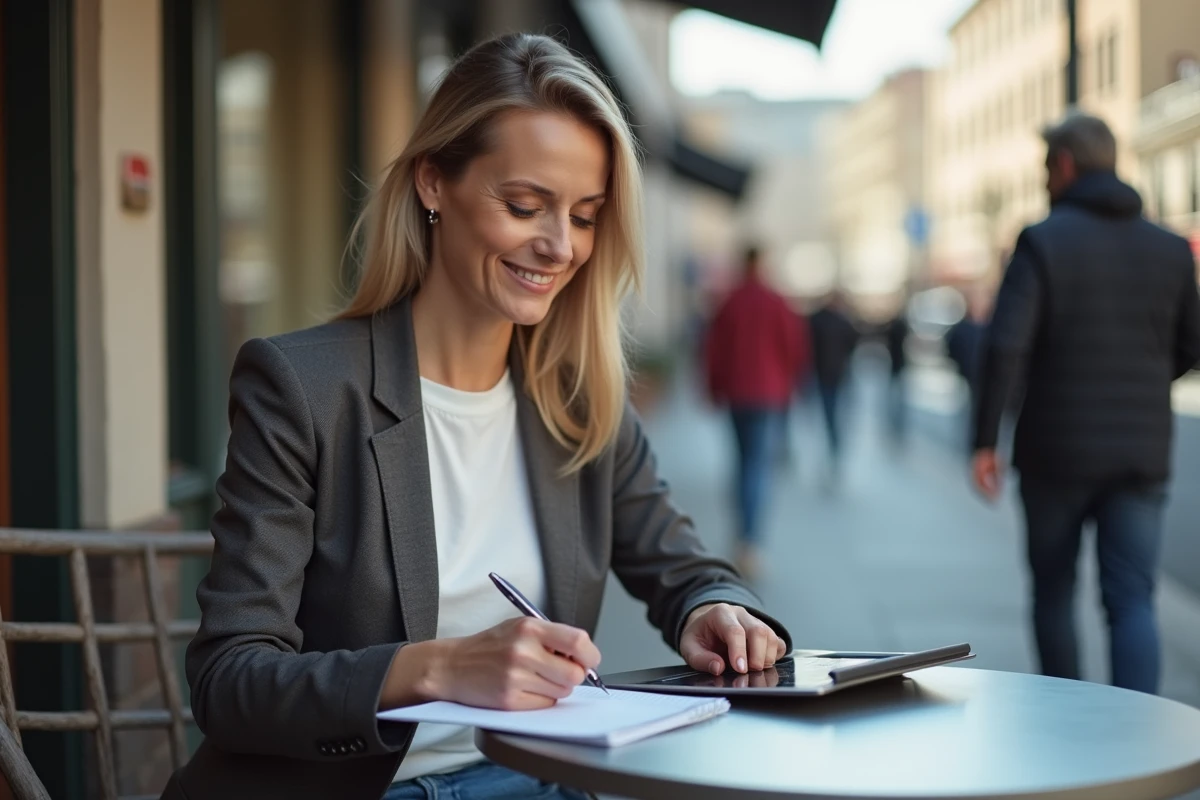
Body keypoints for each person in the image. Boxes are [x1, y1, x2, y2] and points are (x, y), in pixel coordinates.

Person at [164, 34, 791, 800]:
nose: (560, 247)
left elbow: (685, 568)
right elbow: (229, 680)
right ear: (434, 182)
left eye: (585, 216)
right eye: (525, 205)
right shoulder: (302, 386)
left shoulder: (577, 399)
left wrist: (715, 609)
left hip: (543, 778)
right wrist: (438, 667)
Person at [971, 113, 1200, 695]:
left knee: (1053, 593)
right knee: (1131, 599)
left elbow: (1004, 347)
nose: (1045, 181)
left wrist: (983, 440)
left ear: (1065, 165)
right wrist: (1145, 379)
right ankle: (1139, 738)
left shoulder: (1042, 240)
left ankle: (1071, 728)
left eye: (1046, 168)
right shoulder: (1171, 250)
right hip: (1141, 451)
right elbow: (1191, 347)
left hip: (1057, 450)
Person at [703, 247, 809, 578]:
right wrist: (792, 384)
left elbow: (713, 349)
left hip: (737, 393)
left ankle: (743, 537)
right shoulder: (777, 301)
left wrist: (714, 388)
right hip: (769, 394)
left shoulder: (730, 301)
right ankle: (751, 541)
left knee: (742, 461)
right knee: (758, 465)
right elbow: (794, 347)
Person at [808, 293, 861, 485]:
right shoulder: (841, 321)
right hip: (834, 376)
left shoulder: (817, 320)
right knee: (834, 417)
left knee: (830, 416)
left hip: (826, 376)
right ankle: (834, 450)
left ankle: (833, 450)